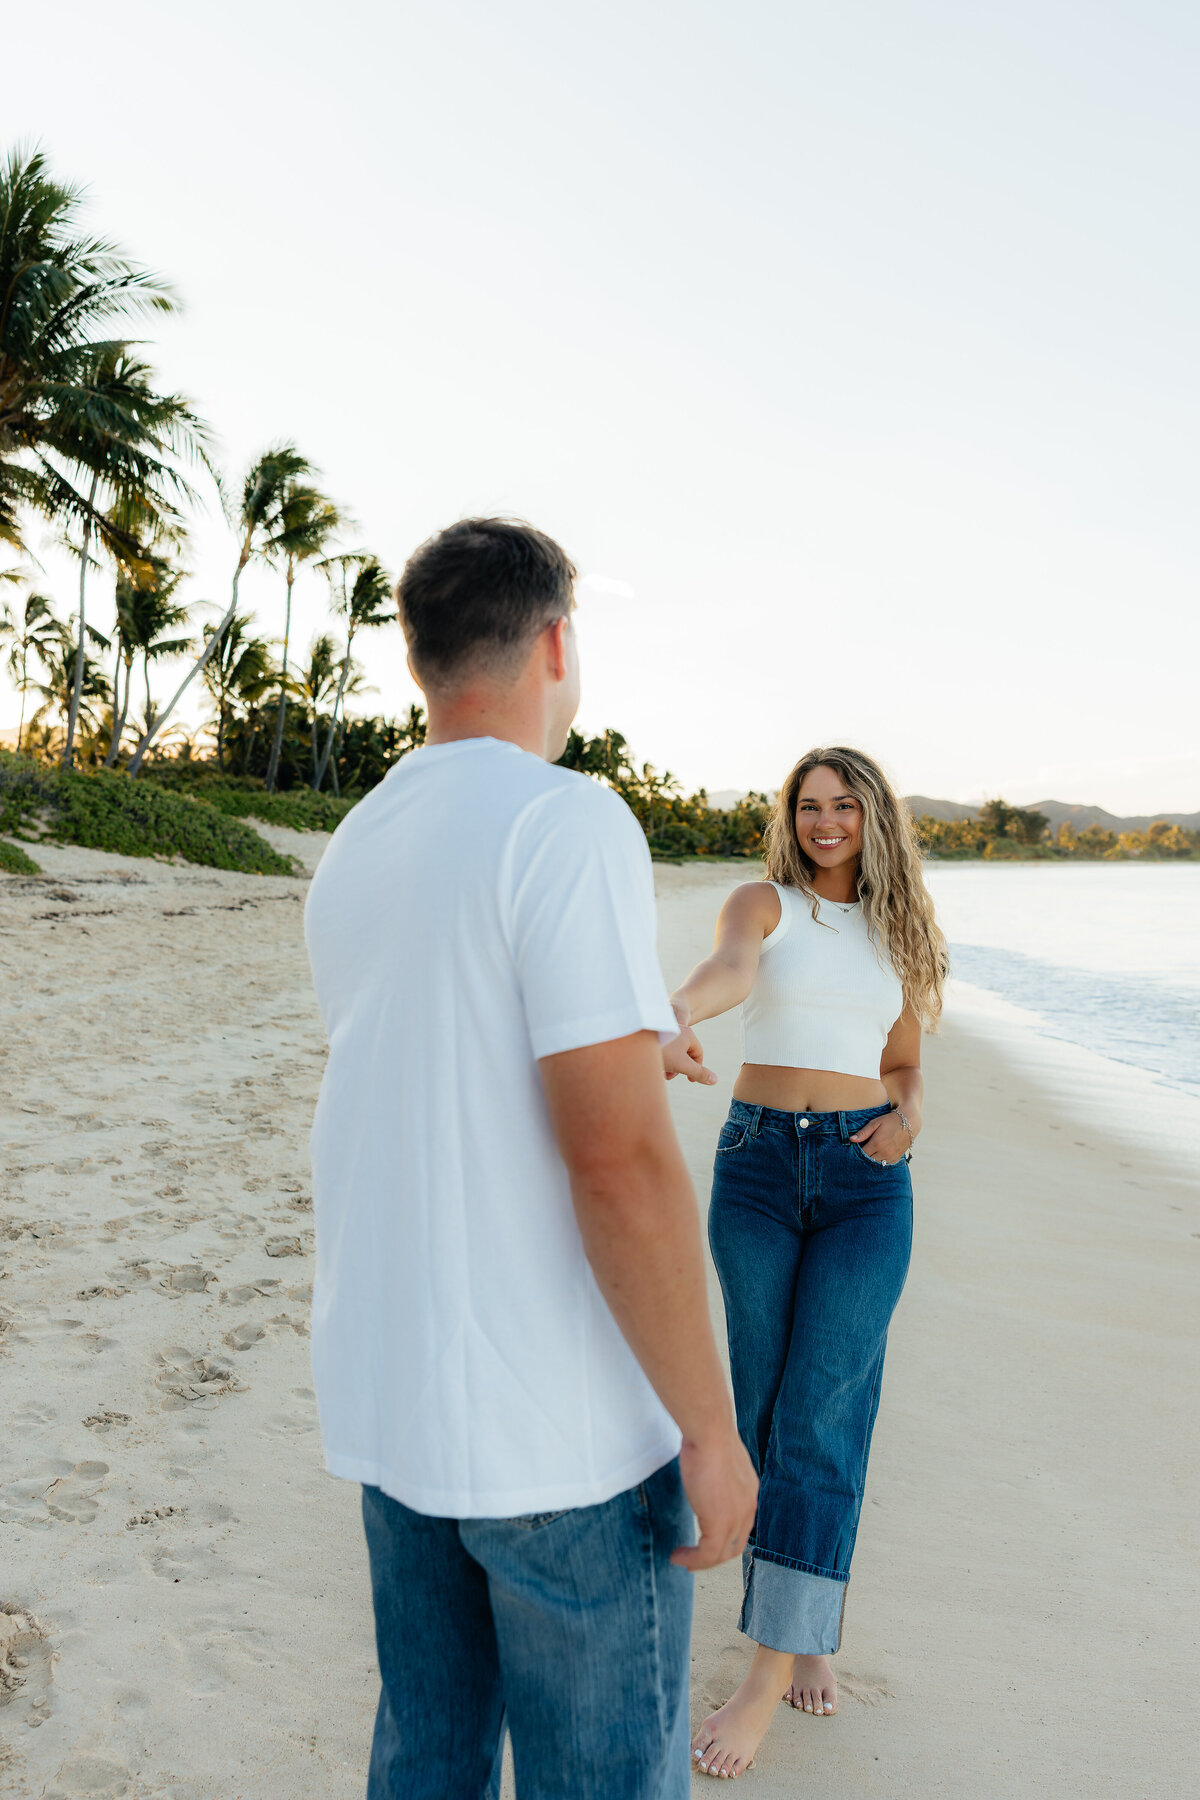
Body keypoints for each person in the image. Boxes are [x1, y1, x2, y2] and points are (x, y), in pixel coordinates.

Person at [304, 518, 757, 1800]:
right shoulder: (565, 820)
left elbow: (439, 1075)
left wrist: (627, 1039)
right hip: (554, 1434)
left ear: (421, 663)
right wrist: (710, 1430)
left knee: (432, 1759)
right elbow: (614, 1164)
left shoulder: (360, 845)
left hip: (399, 1412)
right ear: (558, 641)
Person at [663, 746, 947, 1780]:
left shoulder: (901, 933)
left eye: (845, 806)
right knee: (767, 1406)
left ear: (877, 818)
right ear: (791, 817)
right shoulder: (763, 903)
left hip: (867, 1183)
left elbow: (905, 1061)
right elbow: (729, 972)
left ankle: (768, 1671)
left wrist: (910, 1115)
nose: (825, 822)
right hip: (758, 1170)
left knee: (825, 1410)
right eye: (809, 805)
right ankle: (811, 1615)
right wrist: (676, 1013)